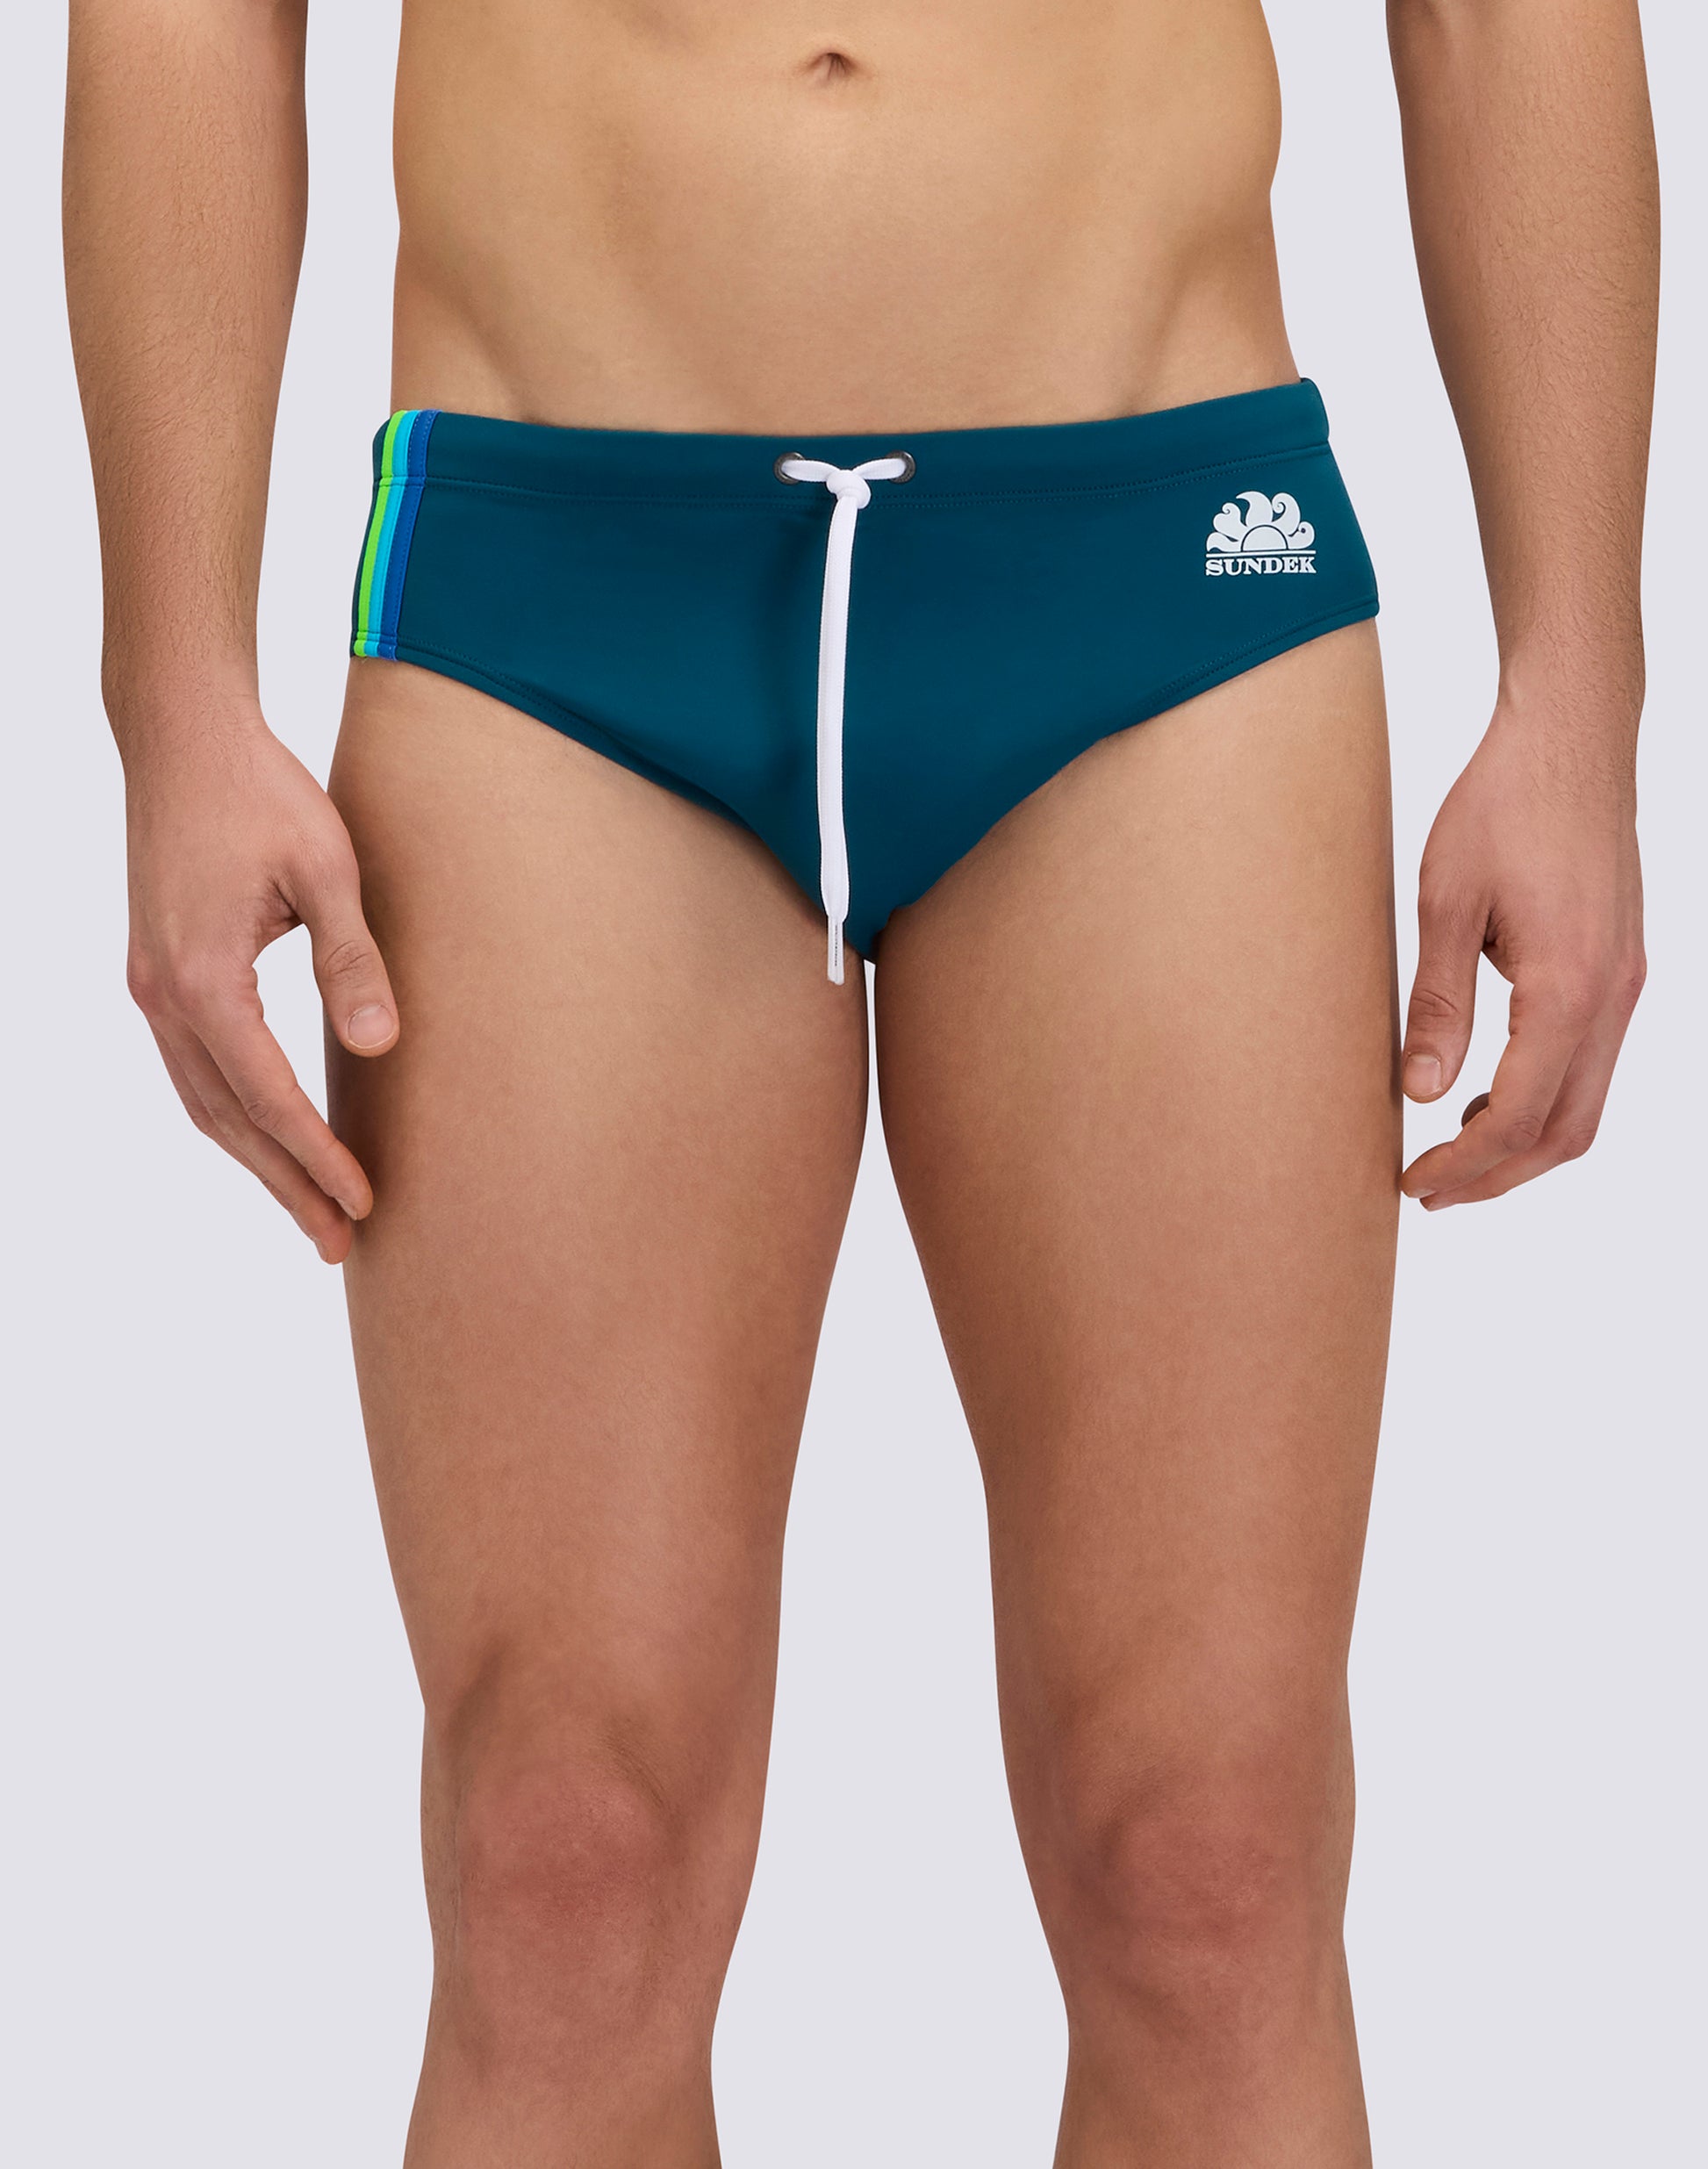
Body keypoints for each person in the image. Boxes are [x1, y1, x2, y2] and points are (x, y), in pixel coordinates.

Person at [62, 0, 1655, 2160]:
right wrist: (170, 687)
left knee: (1207, 1855)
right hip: (555, 579)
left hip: (1161, 559)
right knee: (562, 1859)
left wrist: (1575, 692)